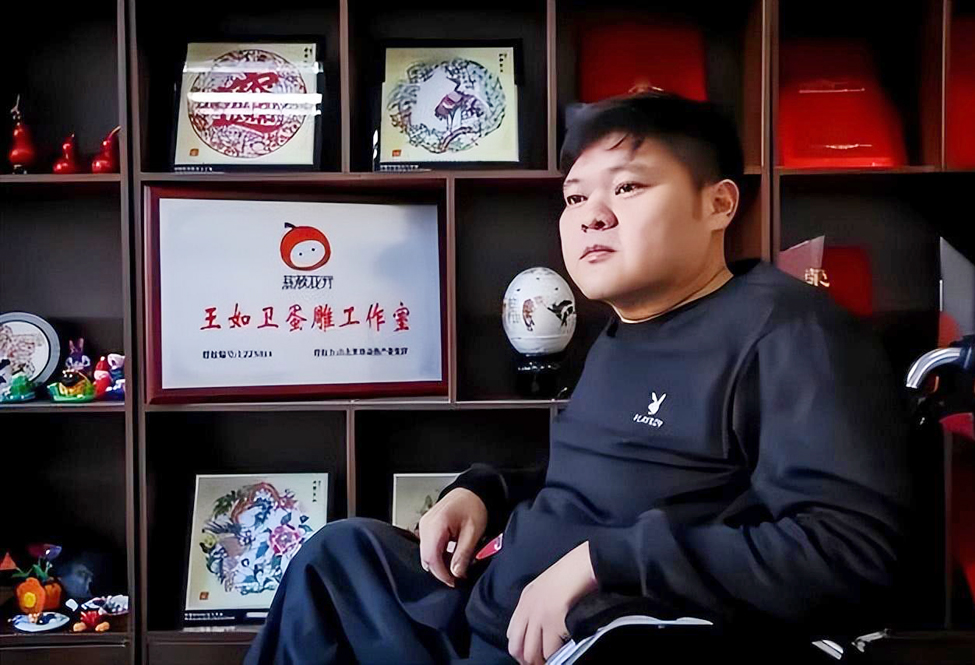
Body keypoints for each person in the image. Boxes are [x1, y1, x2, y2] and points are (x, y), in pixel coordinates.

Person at [244, 92, 913, 665]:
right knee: (338, 557)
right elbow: (598, 483)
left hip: (586, 641)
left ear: (718, 204)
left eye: (627, 187)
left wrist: (602, 562)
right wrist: (484, 490)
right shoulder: (626, 328)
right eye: (575, 196)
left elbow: (848, 554)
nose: (592, 213)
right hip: (487, 610)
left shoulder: (788, 332)